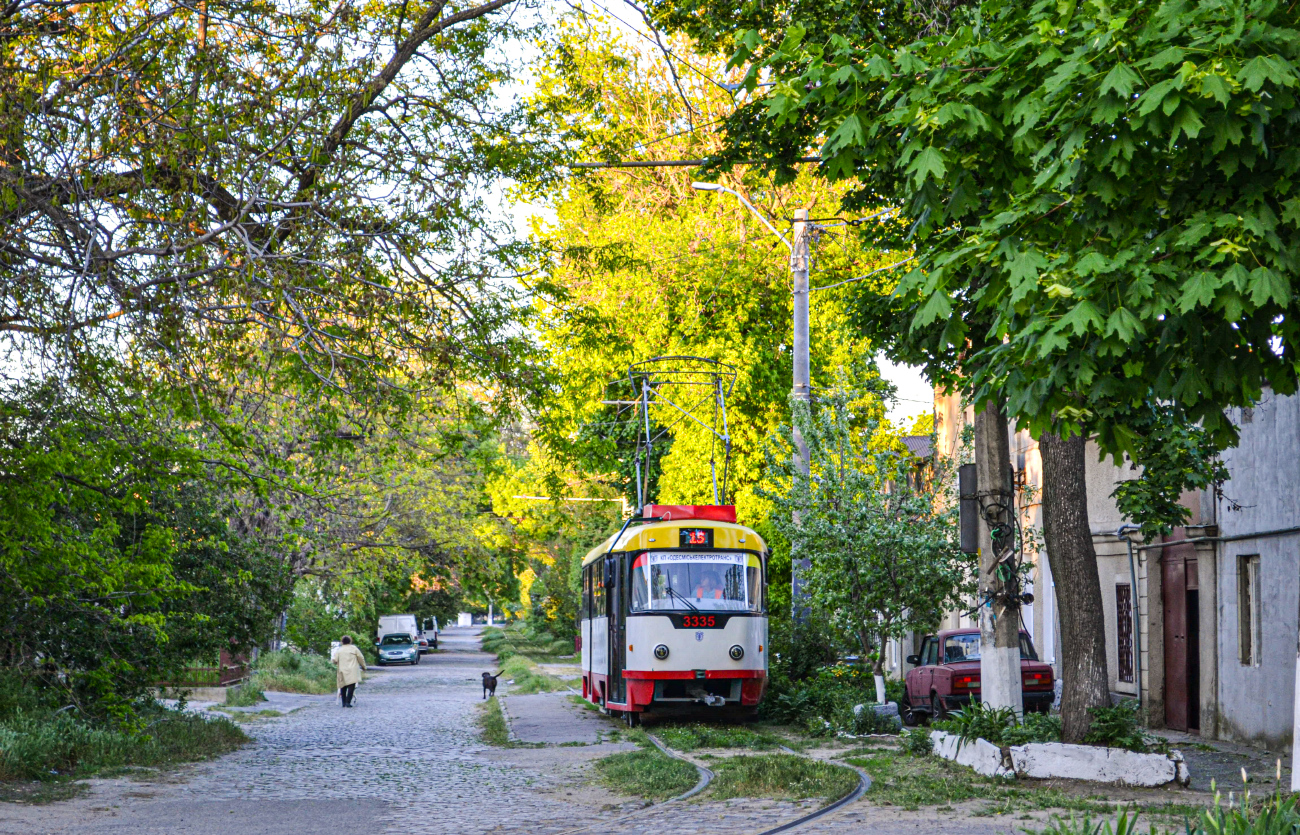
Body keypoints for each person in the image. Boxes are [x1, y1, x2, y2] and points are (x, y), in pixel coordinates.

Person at [332, 635, 366, 708]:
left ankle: (344, 702)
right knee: (351, 686)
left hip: (342, 670)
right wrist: (364, 666)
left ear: (342, 642)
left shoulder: (339, 650)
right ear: (350, 641)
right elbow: (361, 658)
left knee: (343, 686)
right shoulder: (354, 649)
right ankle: (348, 702)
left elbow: (334, 660)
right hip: (352, 670)